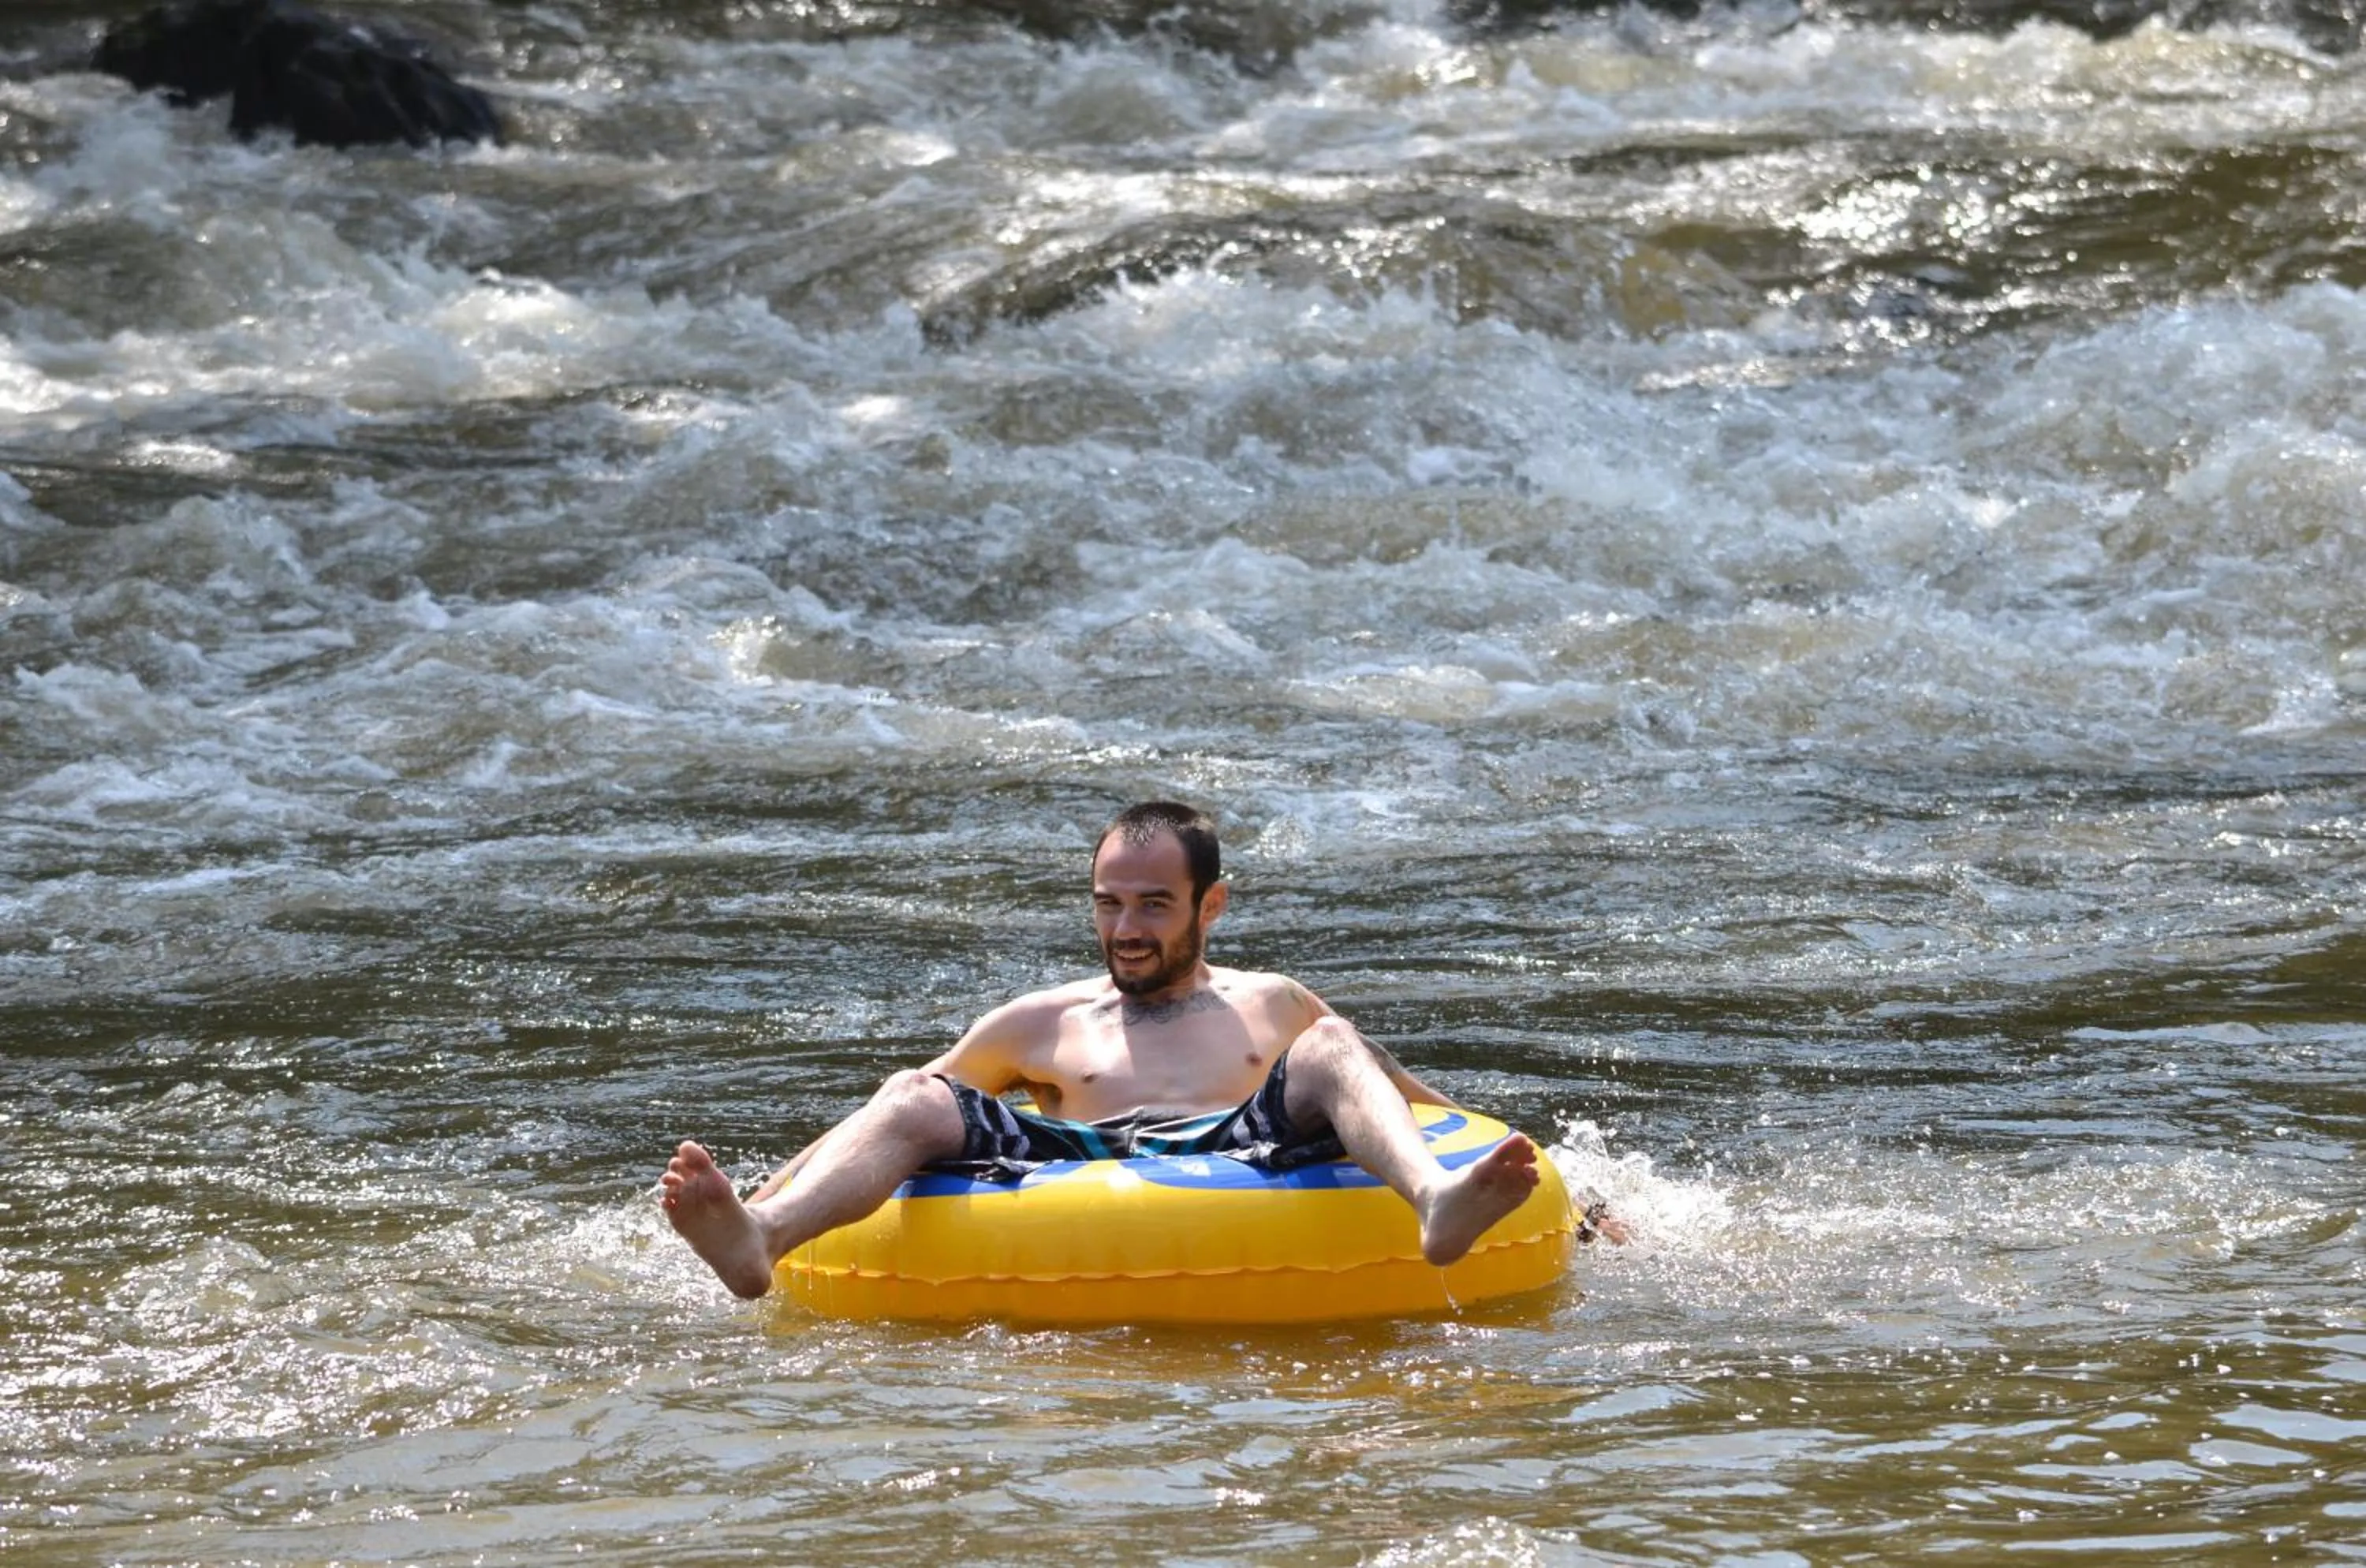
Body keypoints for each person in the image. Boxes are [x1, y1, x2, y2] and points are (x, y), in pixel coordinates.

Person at [662, 801, 1625, 1299]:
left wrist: (1565, 1195)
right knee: (915, 1088)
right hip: (1081, 1154)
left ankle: (1435, 1205)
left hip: (1248, 1142)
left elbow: (1413, 1098)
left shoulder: (1273, 1001)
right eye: (1110, 903)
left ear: (1212, 903)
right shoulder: (1039, 1020)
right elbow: (890, 1113)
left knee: (1336, 1041)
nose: (1127, 929)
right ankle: (763, 1239)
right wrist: (771, 1187)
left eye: (1155, 904)